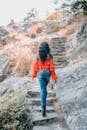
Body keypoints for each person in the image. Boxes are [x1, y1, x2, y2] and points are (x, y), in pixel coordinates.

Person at [31, 42, 58, 117]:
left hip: (40, 74)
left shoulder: (38, 56)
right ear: (47, 48)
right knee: (44, 89)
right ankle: (44, 105)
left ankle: (43, 109)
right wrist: (54, 77)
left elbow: (35, 66)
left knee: (43, 90)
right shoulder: (50, 56)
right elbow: (52, 68)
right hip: (47, 74)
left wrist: (34, 75)